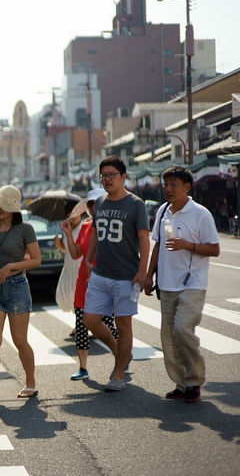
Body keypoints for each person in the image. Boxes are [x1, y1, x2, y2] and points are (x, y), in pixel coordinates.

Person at [144, 166, 220, 403]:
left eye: (173, 184)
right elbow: (157, 245)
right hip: (166, 283)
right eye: (165, 183)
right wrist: (148, 275)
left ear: (187, 187)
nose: (167, 188)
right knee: (168, 337)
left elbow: (214, 249)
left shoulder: (201, 214)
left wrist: (187, 245)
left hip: (192, 283)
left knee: (182, 330)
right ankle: (181, 382)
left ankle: (195, 380)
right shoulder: (163, 210)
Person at [84, 155, 150, 392]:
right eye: (103, 175)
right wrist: (87, 260)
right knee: (90, 320)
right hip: (101, 273)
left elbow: (144, 238)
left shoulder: (135, 204)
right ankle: (119, 351)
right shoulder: (100, 202)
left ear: (123, 176)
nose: (107, 179)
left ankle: (118, 374)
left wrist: (142, 271)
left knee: (123, 325)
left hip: (126, 275)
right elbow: (94, 233)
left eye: (112, 175)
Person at [0, 185, 41, 405]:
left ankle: (30, 382)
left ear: (14, 208)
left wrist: (11, 266)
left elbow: (36, 260)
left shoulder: (25, 230)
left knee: (20, 340)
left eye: (4, 204)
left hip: (17, 287)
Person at [60, 188, 120, 380]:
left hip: (104, 281)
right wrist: (68, 234)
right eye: (91, 204)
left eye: (98, 203)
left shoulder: (111, 225)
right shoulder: (85, 226)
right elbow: (76, 254)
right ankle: (83, 367)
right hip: (83, 282)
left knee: (107, 324)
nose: (94, 208)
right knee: (81, 323)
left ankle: (120, 358)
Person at [53, 201, 82, 314]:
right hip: (69, 266)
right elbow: (65, 249)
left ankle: (80, 324)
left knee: (78, 295)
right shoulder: (66, 228)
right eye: (71, 214)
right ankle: (79, 322)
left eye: (76, 214)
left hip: (79, 266)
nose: (74, 217)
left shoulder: (84, 227)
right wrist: (58, 244)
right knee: (67, 293)